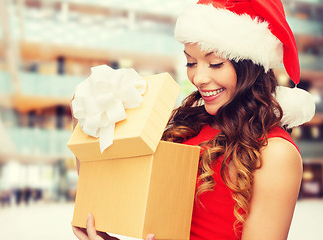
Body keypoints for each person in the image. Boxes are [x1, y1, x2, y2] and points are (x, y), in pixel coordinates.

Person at [72, 0, 315, 240]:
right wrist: (87, 122)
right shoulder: (188, 126)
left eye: (215, 63)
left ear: (250, 66)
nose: (198, 78)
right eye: (190, 62)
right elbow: (113, 192)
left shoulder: (275, 153)